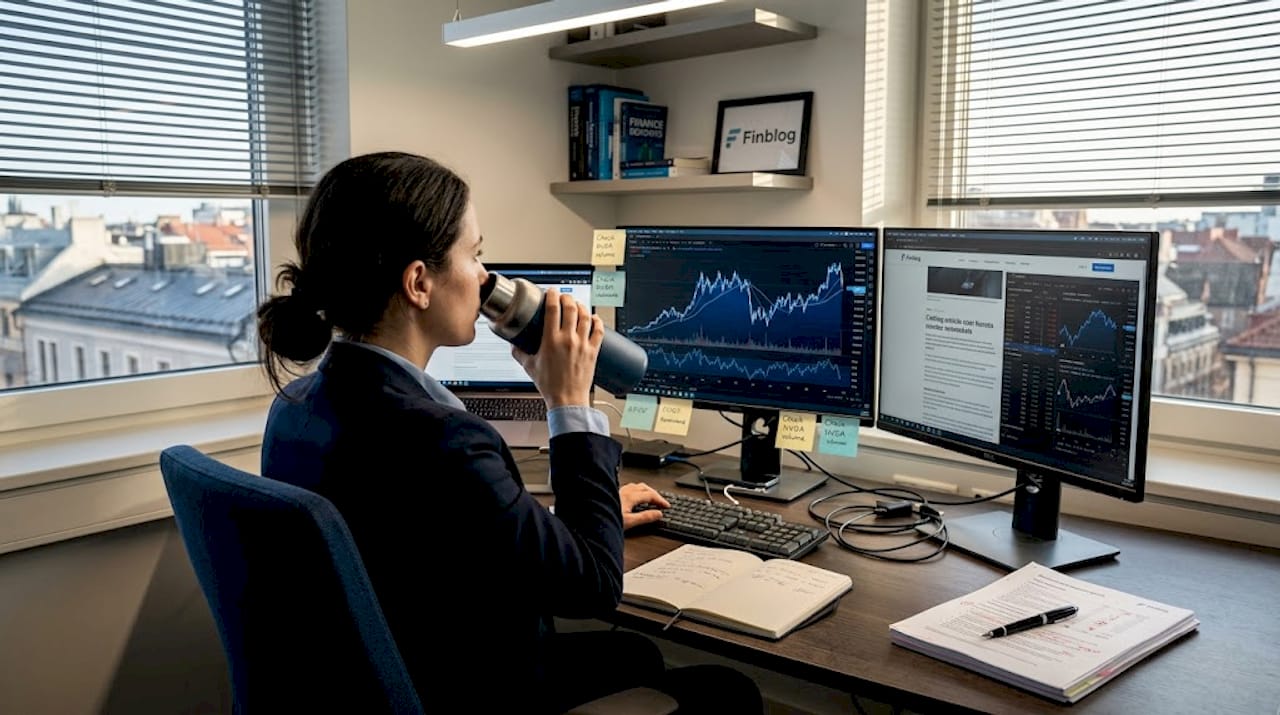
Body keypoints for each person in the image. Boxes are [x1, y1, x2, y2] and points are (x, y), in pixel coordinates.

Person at [256, 151, 764, 714]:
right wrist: (569, 401)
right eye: (475, 255)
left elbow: (431, 532)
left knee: (637, 654)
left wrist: (575, 519)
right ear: (419, 282)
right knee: (728, 690)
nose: (484, 277)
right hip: (474, 687)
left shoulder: (299, 408)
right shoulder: (444, 440)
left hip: (392, 676)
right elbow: (594, 588)